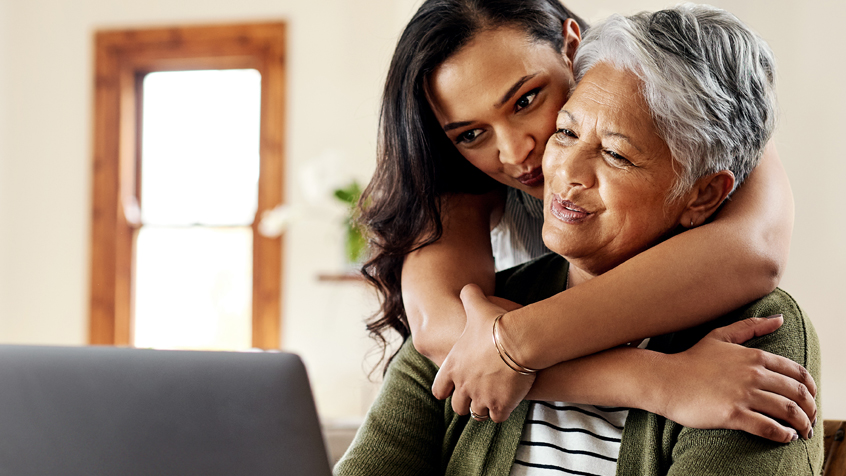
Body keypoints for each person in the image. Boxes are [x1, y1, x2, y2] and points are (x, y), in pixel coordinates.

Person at [337, 5, 823, 475]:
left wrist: (509, 344)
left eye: (526, 101)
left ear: (571, 48)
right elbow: (452, 340)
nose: (519, 153)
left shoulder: (694, 99)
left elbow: (751, 251)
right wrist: (657, 381)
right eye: (470, 134)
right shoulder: (461, 197)